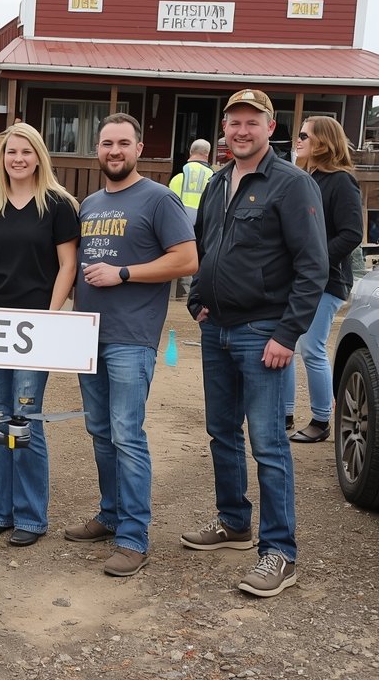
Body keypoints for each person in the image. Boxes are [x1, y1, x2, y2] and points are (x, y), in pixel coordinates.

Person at [182, 89, 327, 598]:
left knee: (268, 443)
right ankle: (234, 523)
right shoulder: (220, 181)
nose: (241, 131)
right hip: (216, 328)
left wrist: (287, 334)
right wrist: (197, 299)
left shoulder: (292, 184)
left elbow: (313, 267)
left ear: (271, 127)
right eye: (233, 122)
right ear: (224, 128)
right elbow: (207, 247)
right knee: (221, 431)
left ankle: (280, 552)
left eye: (251, 122)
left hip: (263, 333)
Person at [67, 112, 197, 577]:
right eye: (106, 143)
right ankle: (110, 513)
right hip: (86, 336)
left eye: (123, 143)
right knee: (100, 433)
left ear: (139, 148)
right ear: (97, 150)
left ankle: (133, 537)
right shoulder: (90, 204)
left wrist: (124, 273)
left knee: (127, 434)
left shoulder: (160, 199)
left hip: (131, 338)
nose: (114, 151)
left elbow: (186, 259)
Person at [0, 123, 79, 547]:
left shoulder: (58, 205)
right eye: (10, 152)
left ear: (39, 156)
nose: (17, 158)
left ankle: (32, 516)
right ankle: (0, 509)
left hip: (36, 327)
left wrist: (50, 318)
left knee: (26, 419)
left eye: (25, 152)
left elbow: (67, 266)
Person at [284, 116, 362, 442]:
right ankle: (283, 412)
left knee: (311, 347)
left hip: (328, 280)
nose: (297, 139)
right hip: (300, 279)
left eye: (304, 134)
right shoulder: (307, 178)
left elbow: (352, 234)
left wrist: (315, 260)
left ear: (323, 142)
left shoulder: (342, 181)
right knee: (285, 342)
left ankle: (321, 420)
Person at [168, 139, 214, 298]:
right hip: (205, 225)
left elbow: (170, 204)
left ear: (190, 153)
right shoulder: (213, 177)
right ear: (207, 154)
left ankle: (180, 291)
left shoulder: (177, 178)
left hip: (181, 223)